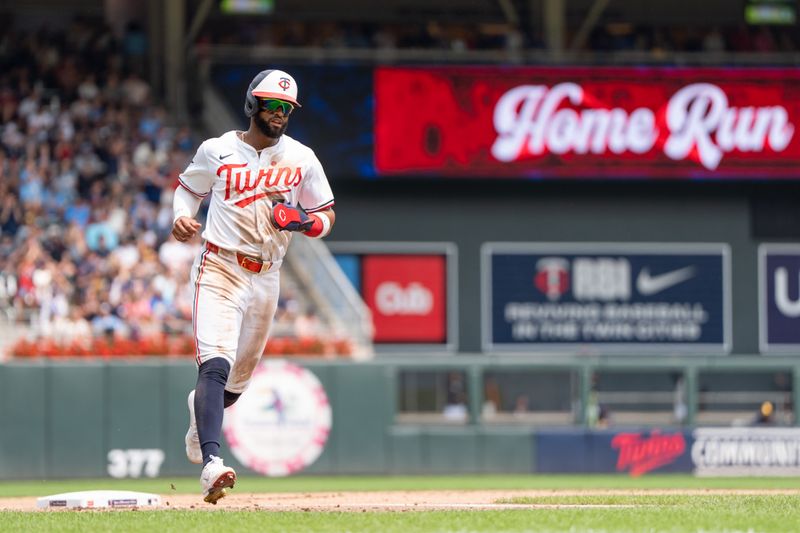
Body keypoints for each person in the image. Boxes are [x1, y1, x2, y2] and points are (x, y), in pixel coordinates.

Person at [171, 69, 336, 504]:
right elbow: (188, 190)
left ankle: (198, 414)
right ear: (252, 105)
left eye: (286, 108)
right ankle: (211, 465)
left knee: (235, 386)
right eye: (272, 104)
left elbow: (326, 216)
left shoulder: (302, 158)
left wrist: (301, 221)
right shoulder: (218, 150)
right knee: (215, 365)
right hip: (220, 265)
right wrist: (180, 216)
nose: (279, 113)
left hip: (268, 275)